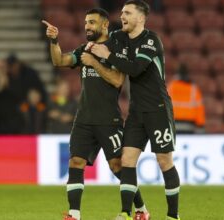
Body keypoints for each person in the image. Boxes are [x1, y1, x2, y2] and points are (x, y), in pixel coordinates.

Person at [42, 7, 149, 220]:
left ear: (104, 25)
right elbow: (60, 61)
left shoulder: (116, 49)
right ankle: (74, 214)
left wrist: (94, 63)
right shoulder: (85, 49)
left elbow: (118, 80)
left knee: (118, 167)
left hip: (108, 119)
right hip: (83, 120)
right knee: (76, 163)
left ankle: (141, 210)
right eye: (85, 23)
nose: (87, 26)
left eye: (91, 22)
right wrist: (54, 41)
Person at [88, 1, 181, 219]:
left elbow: (136, 69)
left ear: (141, 18)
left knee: (164, 161)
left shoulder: (151, 40)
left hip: (158, 108)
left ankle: (173, 215)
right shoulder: (120, 38)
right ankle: (125, 213)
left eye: (128, 13)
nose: (122, 16)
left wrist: (107, 55)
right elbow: (101, 43)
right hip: (136, 111)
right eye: (121, 12)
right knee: (127, 160)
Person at [167, 64, 205, 134]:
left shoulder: (170, 87)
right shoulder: (193, 89)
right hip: (189, 126)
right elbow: (199, 109)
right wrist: (201, 126)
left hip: (172, 125)